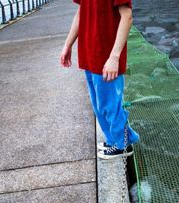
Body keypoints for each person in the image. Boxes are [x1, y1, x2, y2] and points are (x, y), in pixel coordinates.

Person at [60, 0, 140, 160]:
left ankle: (123, 144)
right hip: (89, 53)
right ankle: (113, 140)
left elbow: (127, 16)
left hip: (107, 57)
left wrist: (114, 57)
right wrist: (68, 44)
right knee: (98, 105)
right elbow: (81, 13)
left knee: (110, 105)